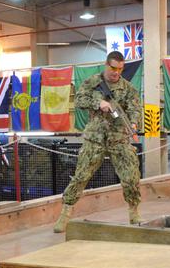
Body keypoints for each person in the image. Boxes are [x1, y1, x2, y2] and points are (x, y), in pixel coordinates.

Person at [53, 51, 142, 233]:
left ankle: (134, 212)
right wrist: (98, 103)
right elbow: (79, 100)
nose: (116, 72)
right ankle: (65, 213)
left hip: (119, 138)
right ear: (106, 65)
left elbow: (135, 109)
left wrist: (132, 123)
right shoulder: (93, 82)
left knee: (131, 176)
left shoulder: (128, 88)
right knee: (81, 177)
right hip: (95, 138)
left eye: (120, 69)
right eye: (113, 68)